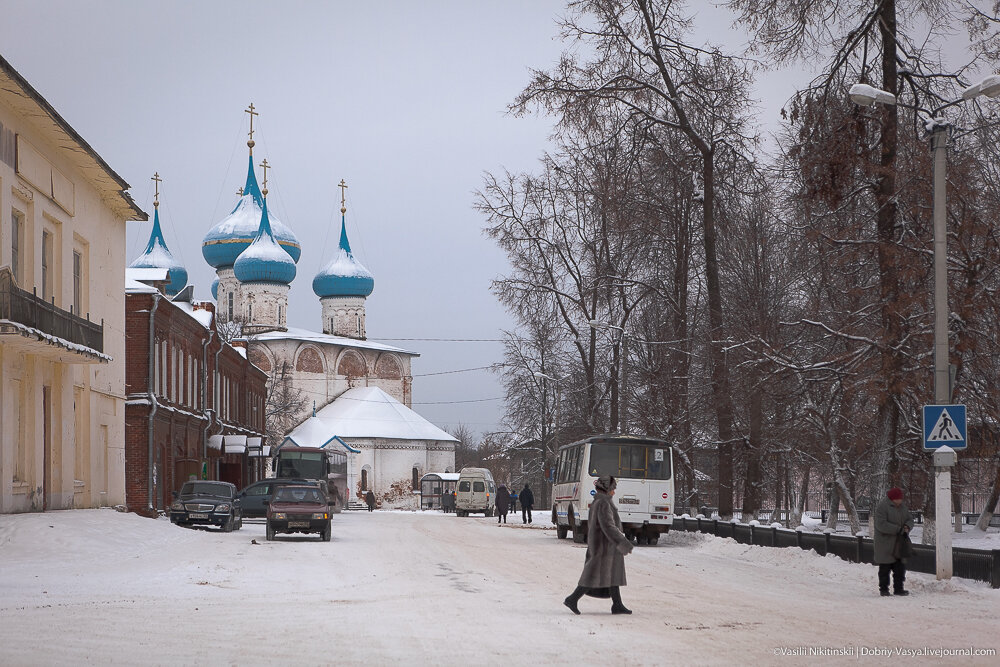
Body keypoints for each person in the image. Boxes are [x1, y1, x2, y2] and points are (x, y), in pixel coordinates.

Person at [563, 476, 634, 615]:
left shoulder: (600, 501)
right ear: (607, 489)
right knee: (592, 575)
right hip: (604, 546)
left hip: (604, 544)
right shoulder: (603, 503)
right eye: (613, 489)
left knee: (612, 573)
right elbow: (608, 526)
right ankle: (572, 599)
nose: (614, 492)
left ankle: (617, 604)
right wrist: (622, 541)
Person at [873, 487, 914, 596]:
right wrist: (898, 529)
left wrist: (907, 526)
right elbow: (881, 525)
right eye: (897, 499)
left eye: (900, 499)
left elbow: (910, 519)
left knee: (900, 568)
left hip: (899, 543)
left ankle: (899, 588)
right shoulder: (882, 507)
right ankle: (884, 589)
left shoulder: (903, 507)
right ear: (892, 499)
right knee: (885, 569)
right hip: (885, 544)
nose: (900, 501)